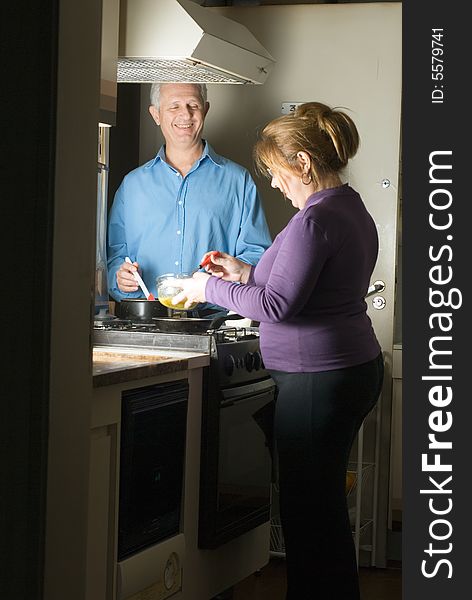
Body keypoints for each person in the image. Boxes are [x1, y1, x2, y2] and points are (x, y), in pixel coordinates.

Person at [171, 102, 384, 599]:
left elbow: (278, 305)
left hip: (319, 379)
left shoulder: (314, 219)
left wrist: (204, 288)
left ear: (304, 164)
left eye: (276, 171)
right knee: (321, 508)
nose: (274, 182)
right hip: (344, 370)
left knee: (310, 514)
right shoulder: (345, 206)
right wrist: (241, 273)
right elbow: (300, 285)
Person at [107, 82, 271, 304]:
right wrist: (119, 278)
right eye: (174, 106)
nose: (185, 114)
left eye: (193, 105)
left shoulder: (238, 181)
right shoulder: (132, 185)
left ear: (205, 110)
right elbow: (113, 257)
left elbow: (257, 257)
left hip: (215, 320)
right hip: (145, 320)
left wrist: (218, 285)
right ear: (155, 114)